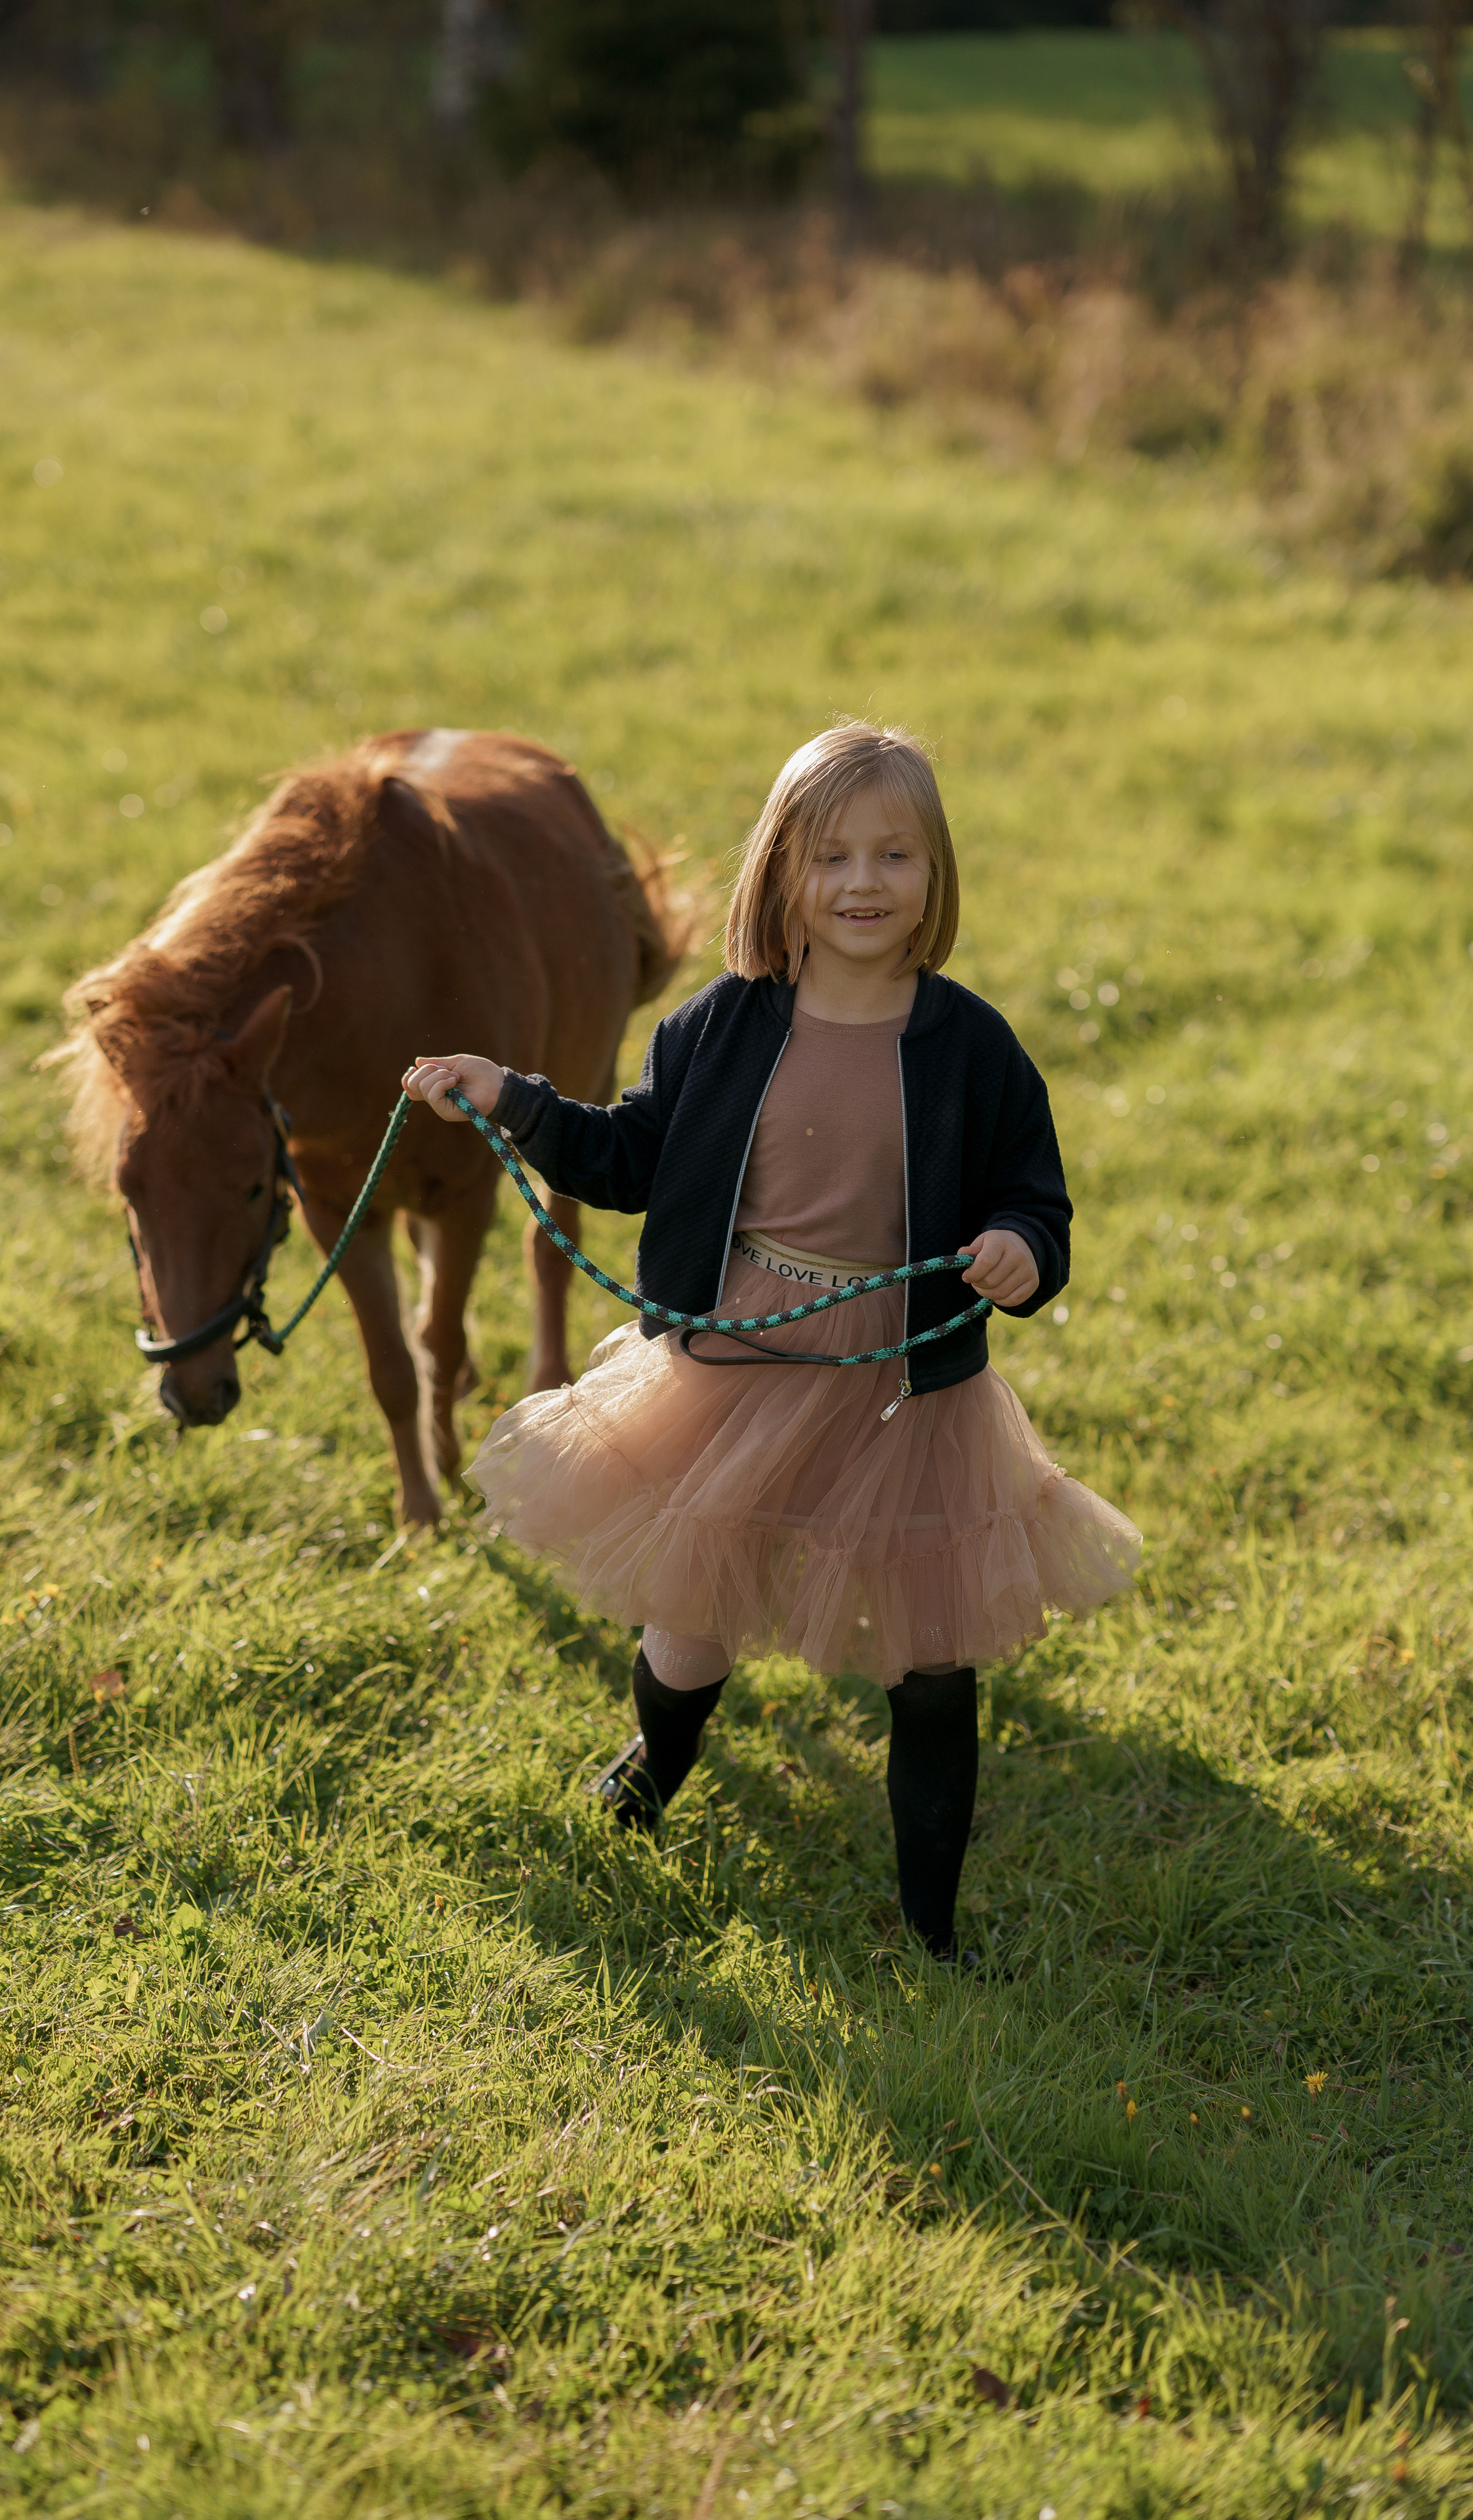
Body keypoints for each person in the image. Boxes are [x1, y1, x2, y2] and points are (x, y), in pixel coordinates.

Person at [403, 719, 1140, 1961]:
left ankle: (931, 1927)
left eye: (895, 856)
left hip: (904, 1386)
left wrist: (1023, 1250)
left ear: (935, 874)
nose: (863, 883)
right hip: (736, 1356)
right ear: (781, 872)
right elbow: (632, 1156)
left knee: (934, 1650)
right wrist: (516, 1099)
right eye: (833, 855)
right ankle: (656, 1767)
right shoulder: (725, 1024)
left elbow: (1036, 1198)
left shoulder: (972, 1047)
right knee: (692, 1614)